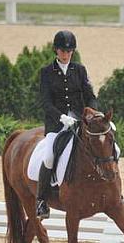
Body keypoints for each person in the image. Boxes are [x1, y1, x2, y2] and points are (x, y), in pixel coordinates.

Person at [36, 30, 99, 219]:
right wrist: (62, 117)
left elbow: (90, 96)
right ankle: (41, 201)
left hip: (80, 121)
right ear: (56, 50)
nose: (66, 54)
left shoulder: (79, 70)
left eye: (69, 51)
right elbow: (45, 103)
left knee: (105, 145)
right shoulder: (46, 72)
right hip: (57, 124)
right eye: (63, 51)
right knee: (48, 156)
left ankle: (114, 192)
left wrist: (93, 112)